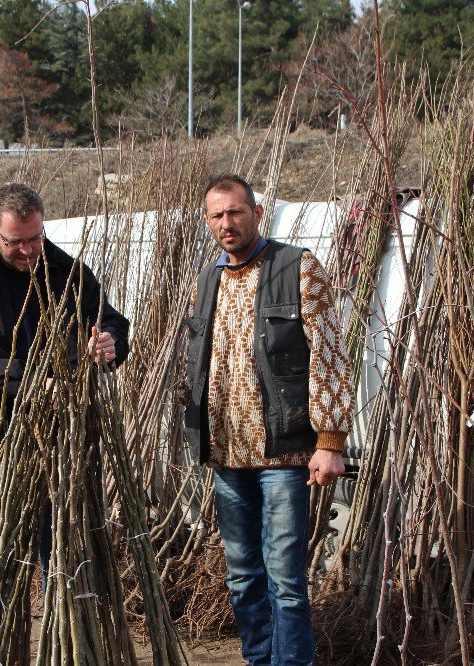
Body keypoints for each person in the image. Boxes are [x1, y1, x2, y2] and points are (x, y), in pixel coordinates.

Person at [184, 175, 355, 665]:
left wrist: (331, 440)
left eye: (235, 212)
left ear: (256, 213)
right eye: (217, 215)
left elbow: (330, 355)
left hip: (284, 453)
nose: (226, 223)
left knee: (285, 583)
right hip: (227, 458)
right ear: (208, 221)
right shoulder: (208, 278)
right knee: (241, 579)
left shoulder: (297, 267)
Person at [0, 182, 130, 479]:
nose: (28, 250)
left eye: (35, 238)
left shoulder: (70, 273)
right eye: (15, 241)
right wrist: (38, 384)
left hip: (64, 438)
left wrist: (110, 342)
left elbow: (111, 320)